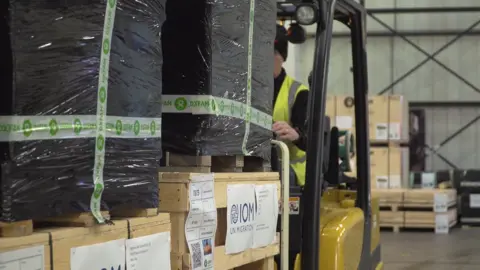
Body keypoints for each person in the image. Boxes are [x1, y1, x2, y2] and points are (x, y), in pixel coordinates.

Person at [272, 24, 309, 187]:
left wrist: (295, 134)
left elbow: (310, 139)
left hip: (291, 168)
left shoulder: (298, 92)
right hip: (258, 163)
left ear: (282, 57)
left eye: (272, 54)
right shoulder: (247, 89)